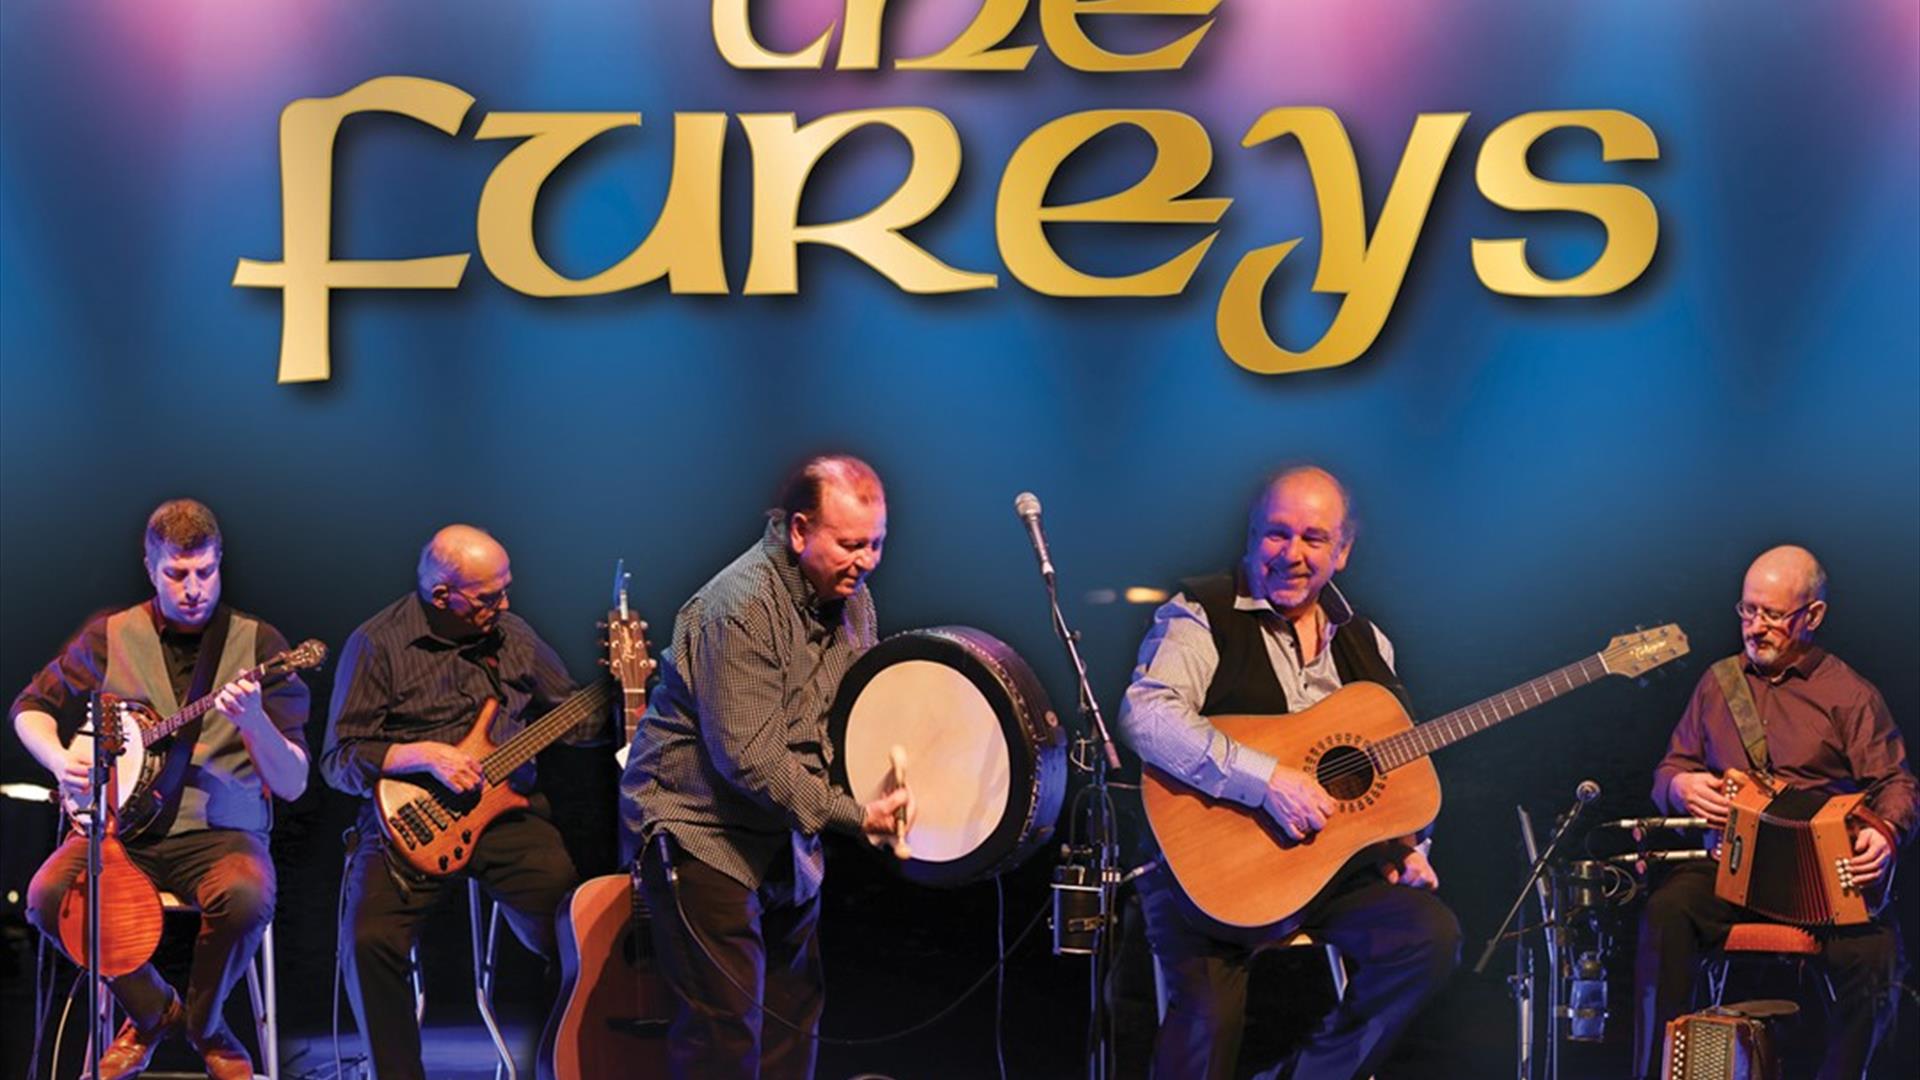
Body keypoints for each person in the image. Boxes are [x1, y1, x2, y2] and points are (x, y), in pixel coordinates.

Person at [1118, 466, 1460, 1080]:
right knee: (1206, 1036)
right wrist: (1267, 780)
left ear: (1343, 551)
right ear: (1251, 537)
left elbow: (1392, 757)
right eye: (1277, 535)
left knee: (1428, 939)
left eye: (1313, 538)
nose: (1293, 555)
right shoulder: (1202, 613)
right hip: (1206, 871)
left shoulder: (1367, 643)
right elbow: (1145, 715)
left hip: (1322, 871)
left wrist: (1409, 846)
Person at [620, 455, 912, 1080]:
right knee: (724, 1032)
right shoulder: (741, 606)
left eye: (878, 544)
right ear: (801, 530)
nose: (866, 561)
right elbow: (748, 759)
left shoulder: (856, 604)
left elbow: (847, 721)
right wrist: (857, 816)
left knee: (791, 1018)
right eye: (852, 544)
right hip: (702, 829)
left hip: (784, 835)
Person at [14, 499, 310, 1080]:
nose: (194, 587)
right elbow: (29, 708)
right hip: (121, 833)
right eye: (177, 574)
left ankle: (205, 1026)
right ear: (151, 568)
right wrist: (58, 759)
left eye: (206, 571)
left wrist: (254, 721)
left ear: (220, 562)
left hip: (221, 834)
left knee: (246, 897)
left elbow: (294, 782)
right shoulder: (110, 634)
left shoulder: (261, 645)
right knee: (49, 897)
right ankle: (151, 1011)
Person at [321, 524, 600, 1080]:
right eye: (489, 596)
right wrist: (421, 755)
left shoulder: (513, 635)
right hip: (409, 819)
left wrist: (626, 687)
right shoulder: (378, 643)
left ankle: (566, 1064)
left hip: (507, 816)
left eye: (506, 589)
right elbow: (338, 758)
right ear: (441, 595)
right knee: (367, 942)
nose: (504, 603)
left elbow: (577, 717)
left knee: (581, 931)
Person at [1633, 545, 1915, 1079]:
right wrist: (1681, 786)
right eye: (1747, 611)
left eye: (1772, 615)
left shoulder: (1848, 695)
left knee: (1878, 960)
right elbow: (1669, 769)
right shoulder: (1719, 684)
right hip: (1730, 871)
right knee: (1667, 912)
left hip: (1816, 881)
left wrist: (1884, 832)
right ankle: (1656, 1074)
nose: (1755, 627)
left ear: (1812, 616)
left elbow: (1896, 782)